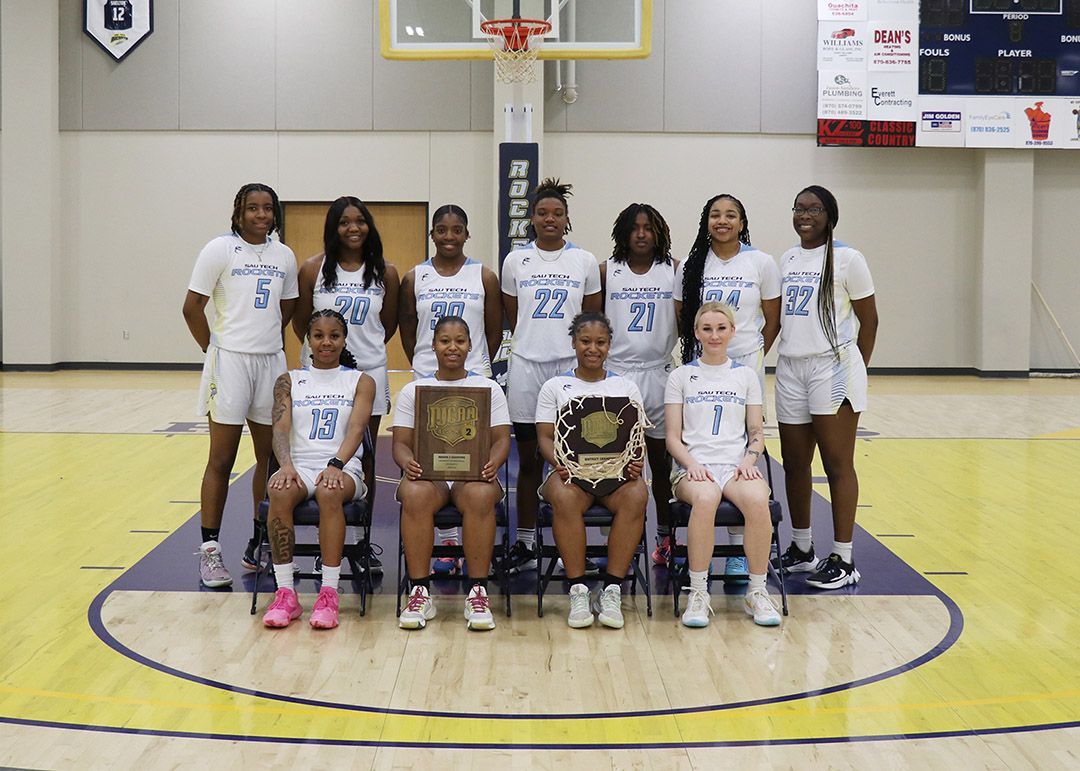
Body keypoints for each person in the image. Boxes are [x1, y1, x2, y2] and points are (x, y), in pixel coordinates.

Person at [182, 182, 298, 588]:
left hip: (270, 362)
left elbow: (286, 307)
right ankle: (210, 551)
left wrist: (263, 341)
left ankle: (258, 540)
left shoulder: (284, 255)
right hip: (229, 361)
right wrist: (214, 349)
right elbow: (191, 308)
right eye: (253, 208)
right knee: (222, 458)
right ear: (238, 212)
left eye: (268, 208)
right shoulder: (218, 249)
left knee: (269, 460)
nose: (261, 215)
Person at [774, 185, 878, 589]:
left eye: (814, 208)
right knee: (795, 463)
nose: (805, 215)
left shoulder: (849, 258)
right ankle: (802, 548)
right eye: (799, 207)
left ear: (829, 216)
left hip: (833, 368)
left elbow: (869, 321)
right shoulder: (787, 258)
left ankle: (845, 557)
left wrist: (855, 369)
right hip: (791, 367)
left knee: (837, 463)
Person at [673, 194, 780, 578]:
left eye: (730, 215)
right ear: (706, 221)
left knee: (740, 456)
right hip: (704, 363)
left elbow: (773, 317)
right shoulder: (691, 265)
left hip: (744, 363)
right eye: (715, 215)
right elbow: (683, 315)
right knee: (702, 441)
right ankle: (693, 556)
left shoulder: (761, 262)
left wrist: (746, 349)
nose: (722, 221)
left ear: (741, 221)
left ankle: (738, 551)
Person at [501, 178, 602, 575]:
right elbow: (513, 315)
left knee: (573, 460)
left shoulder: (584, 261)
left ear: (567, 219)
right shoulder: (515, 261)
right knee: (527, 461)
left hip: (569, 369)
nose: (550, 219)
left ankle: (568, 547)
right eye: (542, 212)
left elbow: (591, 318)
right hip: (527, 366)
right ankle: (525, 541)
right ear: (532, 218)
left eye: (557, 213)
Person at [293, 196, 399, 571]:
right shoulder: (312, 269)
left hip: (368, 372)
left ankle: (359, 541)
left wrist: (361, 354)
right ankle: (328, 541)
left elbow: (388, 324)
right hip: (321, 374)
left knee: (364, 455)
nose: (353, 228)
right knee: (321, 448)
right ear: (333, 227)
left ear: (369, 226)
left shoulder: (385, 272)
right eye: (344, 222)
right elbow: (301, 322)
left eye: (360, 221)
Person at [399, 205, 502, 574]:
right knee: (432, 460)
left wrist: (475, 365)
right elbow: (409, 327)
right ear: (432, 234)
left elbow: (492, 330)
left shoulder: (484, 276)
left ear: (466, 234)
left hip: (473, 375)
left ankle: (472, 542)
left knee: (471, 458)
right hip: (430, 377)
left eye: (456, 230)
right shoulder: (416, 277)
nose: (448, 236)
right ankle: (444, 539)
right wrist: (426, 364)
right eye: (441, 230)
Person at [665, 301, 781, 628]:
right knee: (705, 497)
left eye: (720, 328)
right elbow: (673, 437)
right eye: (707, 329)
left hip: (735, 466)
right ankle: (699, 593)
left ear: (732, 331)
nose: (714, 335)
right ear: (696, 332)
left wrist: (749, 459)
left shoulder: (745, 376)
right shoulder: (682, 376)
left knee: (758, 499)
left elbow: (757, 432)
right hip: (693, 467)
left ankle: (757, 591)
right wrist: (691, 464)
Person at [391, 316, 511, 631]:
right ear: (433, 346)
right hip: (429, 475)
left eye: (460, 340)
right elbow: (400, 444)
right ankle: (419, 590)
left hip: (473, 474)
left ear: (471, 346)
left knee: (480, 493)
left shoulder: (488, 388)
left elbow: (501, 439)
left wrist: (493, 464)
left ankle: (478, 591)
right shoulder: (414, 389)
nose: (452, 347)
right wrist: (408, 463)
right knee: (414, 493)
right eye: (445, 340)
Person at [260, 310, 376, 629]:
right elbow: (280, 429)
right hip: (300, 467)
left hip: (343, 468)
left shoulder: (361, 381)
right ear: (308, 340)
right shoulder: (289, 380)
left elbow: (356, 428)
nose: (326, 342)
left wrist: (337, 464)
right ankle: (285, 593)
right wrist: (285, 466)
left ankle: (328, 592)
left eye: (334, 335)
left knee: (330, 490)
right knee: (279, 489)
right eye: (319, 335)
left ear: (343, 339)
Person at [536, 312, 648, 630]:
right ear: (574, 342)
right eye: (585, 341)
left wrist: (636, 460)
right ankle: (579, 589)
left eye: (600, 342)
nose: (592, 348)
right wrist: (559, 463)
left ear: (609, 346)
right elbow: (545, 436)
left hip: (614, 477)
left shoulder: (625, 386)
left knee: (638, 493)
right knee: (564, 495)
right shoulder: (556, 386)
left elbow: (636, 436)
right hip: (571, 475)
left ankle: (611, 589)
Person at [601, 203, 679, 570]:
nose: (642, 234)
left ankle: (665, 537)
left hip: (659, 374)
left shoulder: (674, 270)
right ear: (623, 232)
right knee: (614, 464)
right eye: (635, 227)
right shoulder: (607, 272)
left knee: (662, 463)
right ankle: (619, 543)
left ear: (659, 231)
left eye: (649, 227)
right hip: (617, 375)